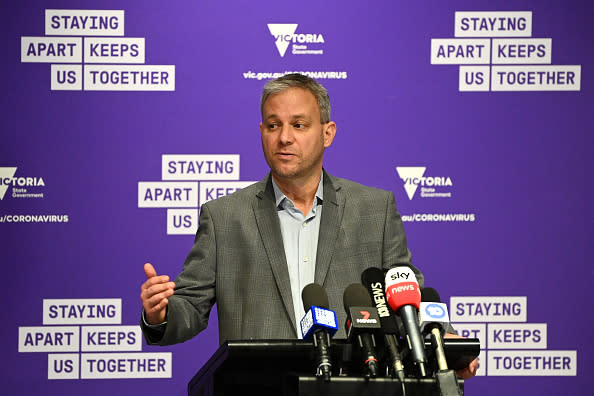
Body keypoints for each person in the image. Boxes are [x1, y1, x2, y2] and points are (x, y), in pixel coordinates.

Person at [140, 73, 478, 379]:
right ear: (261, 133)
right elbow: (189, 309)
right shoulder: (225, 217)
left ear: (327, 133)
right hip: (257, 385)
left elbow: (406, 295)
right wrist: (161, 315)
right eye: (273, 125)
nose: (284, 137)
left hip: (353, 384)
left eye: (299, 125)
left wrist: (444, 338)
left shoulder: (374, 210)